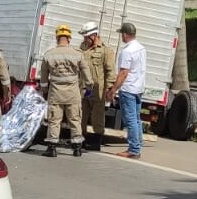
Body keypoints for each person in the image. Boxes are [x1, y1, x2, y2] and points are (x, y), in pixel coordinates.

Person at [40, 23, 93, 158]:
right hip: (72, 93)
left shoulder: (49, 55)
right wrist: (89, 86)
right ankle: (77, 148)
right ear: (69, 38)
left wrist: (44, 90)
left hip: (56, 93)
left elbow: (44, 77)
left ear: (57, 37)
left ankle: (52, 148)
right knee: (75, 119)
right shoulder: (77, 54)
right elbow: (86, 71)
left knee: (54, 120)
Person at [105, 22, 146, 159]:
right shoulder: (141, 48)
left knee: (130, 120)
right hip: (138, 88)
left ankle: (134, 149)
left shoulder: (127, 51)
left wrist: (113, 90)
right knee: (136, 118)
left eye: (121, 33)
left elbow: (123, 73)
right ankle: (138, 144)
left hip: (128, 89)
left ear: (125, 34)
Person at [78, 20, 116, 151]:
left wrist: (110, 89)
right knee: (80, 115)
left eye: (86, 37)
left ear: (93, 36)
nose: (84, 39)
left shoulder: (106, 51)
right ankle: (80, 140)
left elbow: (110, 71)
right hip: (83, 89)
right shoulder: (82, 47)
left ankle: (96, 142)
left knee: (97, 117)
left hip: (97, 91)